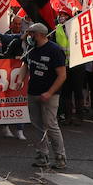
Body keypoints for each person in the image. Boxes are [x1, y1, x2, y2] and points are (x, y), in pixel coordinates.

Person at [23, 22, 67, 170]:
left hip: (50, 94)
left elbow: (62, 75)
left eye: (32, 34)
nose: (29, 37)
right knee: (38, 126)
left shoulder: (55, 50)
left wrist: (49, 92)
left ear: (40, 35)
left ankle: (60, 156)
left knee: (51, 125)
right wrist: (19, 82)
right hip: (33, 92)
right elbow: (26, 66)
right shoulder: (31, 49)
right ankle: (42, 155)